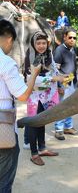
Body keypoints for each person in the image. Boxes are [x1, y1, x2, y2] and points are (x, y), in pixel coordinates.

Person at [0, 19, 41, 192]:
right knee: (3, 181)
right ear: (9, 39)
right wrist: (33, 75)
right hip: (3, 131)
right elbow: (23, 95)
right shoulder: (6, 63)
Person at [23, 31, 68, 166]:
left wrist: (61, 76)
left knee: (41, 121)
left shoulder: (49, 55)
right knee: (33, 123)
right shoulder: (31, 57)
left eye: (44, 43)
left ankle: (42, 149)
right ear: (33, 44)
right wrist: (54, 78)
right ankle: (34, 153)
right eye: (38, 43)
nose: (41, 46)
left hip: (46, 95)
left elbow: (54, 70)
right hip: (34, 96)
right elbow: (31, 80)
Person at [53, 27, 78, 140]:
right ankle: (59, 129)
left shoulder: (72, 50)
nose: (72, 40)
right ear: (64, 37)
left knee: (70, 106)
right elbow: (55, 69)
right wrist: (59, 86)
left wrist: (76, 83)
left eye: (74, 38)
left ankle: (68, 127)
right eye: (70, 37)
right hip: (63, 84)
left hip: (71, 82)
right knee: (62, 107)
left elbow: (74, 67)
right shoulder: (59, 50)